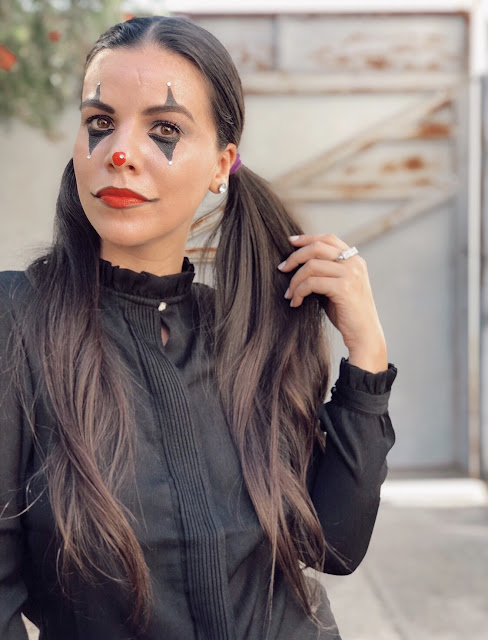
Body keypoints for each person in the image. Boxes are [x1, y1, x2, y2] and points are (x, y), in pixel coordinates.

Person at [0, 15, 396, 640]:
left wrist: (367, 353)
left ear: (221, 163)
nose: (119, 153)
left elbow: (334, 545)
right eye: (99, 122)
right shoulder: (18, 323)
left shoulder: (248, 330)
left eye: (164, 129)